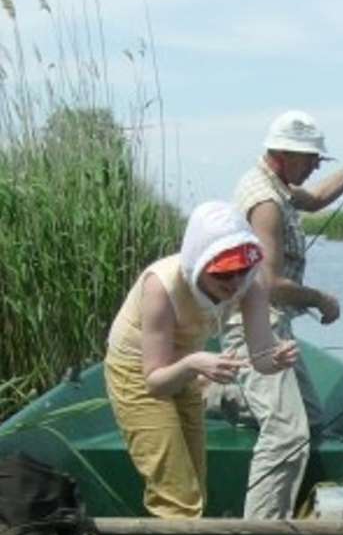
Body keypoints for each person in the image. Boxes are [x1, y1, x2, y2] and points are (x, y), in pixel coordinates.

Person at [208, 110, 343, 519]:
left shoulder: (280, 186)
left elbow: (319, 199)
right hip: (254, 327)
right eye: (311, 159)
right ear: (283, 154)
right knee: (288, 434)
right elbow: (268, 282)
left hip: (275, 324)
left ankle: (223, 395)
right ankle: (261, 529)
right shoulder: (266, 202)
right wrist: (320, 298)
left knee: (310, 416)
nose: (314, 167)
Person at [105, 201, 297, 518]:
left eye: (242, 271)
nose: (235, 284)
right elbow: (154, 382)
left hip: (188, 363)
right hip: (139, 371)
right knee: (177, 495)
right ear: (199, 265)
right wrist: (195, 364)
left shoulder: (252, 283)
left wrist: (276, 359)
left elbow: (261, 357)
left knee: (195, 480)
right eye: (224, 275)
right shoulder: (161, 286)